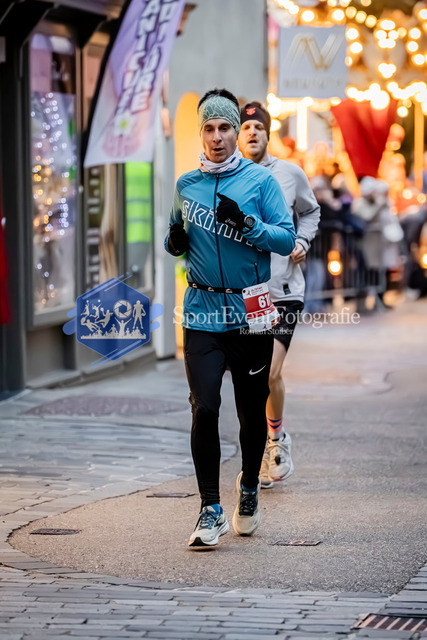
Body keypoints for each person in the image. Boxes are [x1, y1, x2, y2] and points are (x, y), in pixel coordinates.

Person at [165, 89, 295, 547]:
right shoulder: (186, 185)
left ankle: (249, 486)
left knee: (249, 411)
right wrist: (175, 241)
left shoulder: (260, 182)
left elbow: (286, 239)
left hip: (250, 312)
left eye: (225, 128)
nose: (217, 137)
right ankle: (209, 508)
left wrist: (248, 225)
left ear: (236, 132)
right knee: (204, 407)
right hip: (201, 311)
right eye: (209, 128)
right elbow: (174, 235)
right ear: (201, 133)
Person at [238, 101, 320, 489]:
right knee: (254, 378)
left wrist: (302, 241)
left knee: (270, 370)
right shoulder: (229, 178)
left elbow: (311, 211)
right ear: (237, 136)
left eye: (259, 127)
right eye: (246, 127)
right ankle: (261, 448)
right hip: (248, 293)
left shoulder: (290, 173)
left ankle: (277, 438)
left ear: (268, 134)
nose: (252, 132)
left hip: (284, 290)